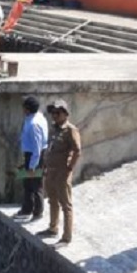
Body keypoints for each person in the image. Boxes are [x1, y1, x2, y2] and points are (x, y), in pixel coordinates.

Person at [40, 100, 81, 245]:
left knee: (66, 205)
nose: (54, 116)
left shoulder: (70, 130)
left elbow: (77, 150)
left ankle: (66, 236)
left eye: (57, 113)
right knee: (52, 201)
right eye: (52, 113)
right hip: (51, 171)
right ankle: (53, 228)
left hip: (62, 172)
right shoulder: (54, 128)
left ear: (65, 113)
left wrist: (69, 167)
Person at [15, 96, 48, 222]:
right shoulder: (38, 117)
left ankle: (33, 211)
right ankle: (29, 209)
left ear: (27, 109)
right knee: (28, 183)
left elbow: (37, 146)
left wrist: (33, 165)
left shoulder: (34, 124)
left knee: (33, 185)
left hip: (34, 157)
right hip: (32, 156)